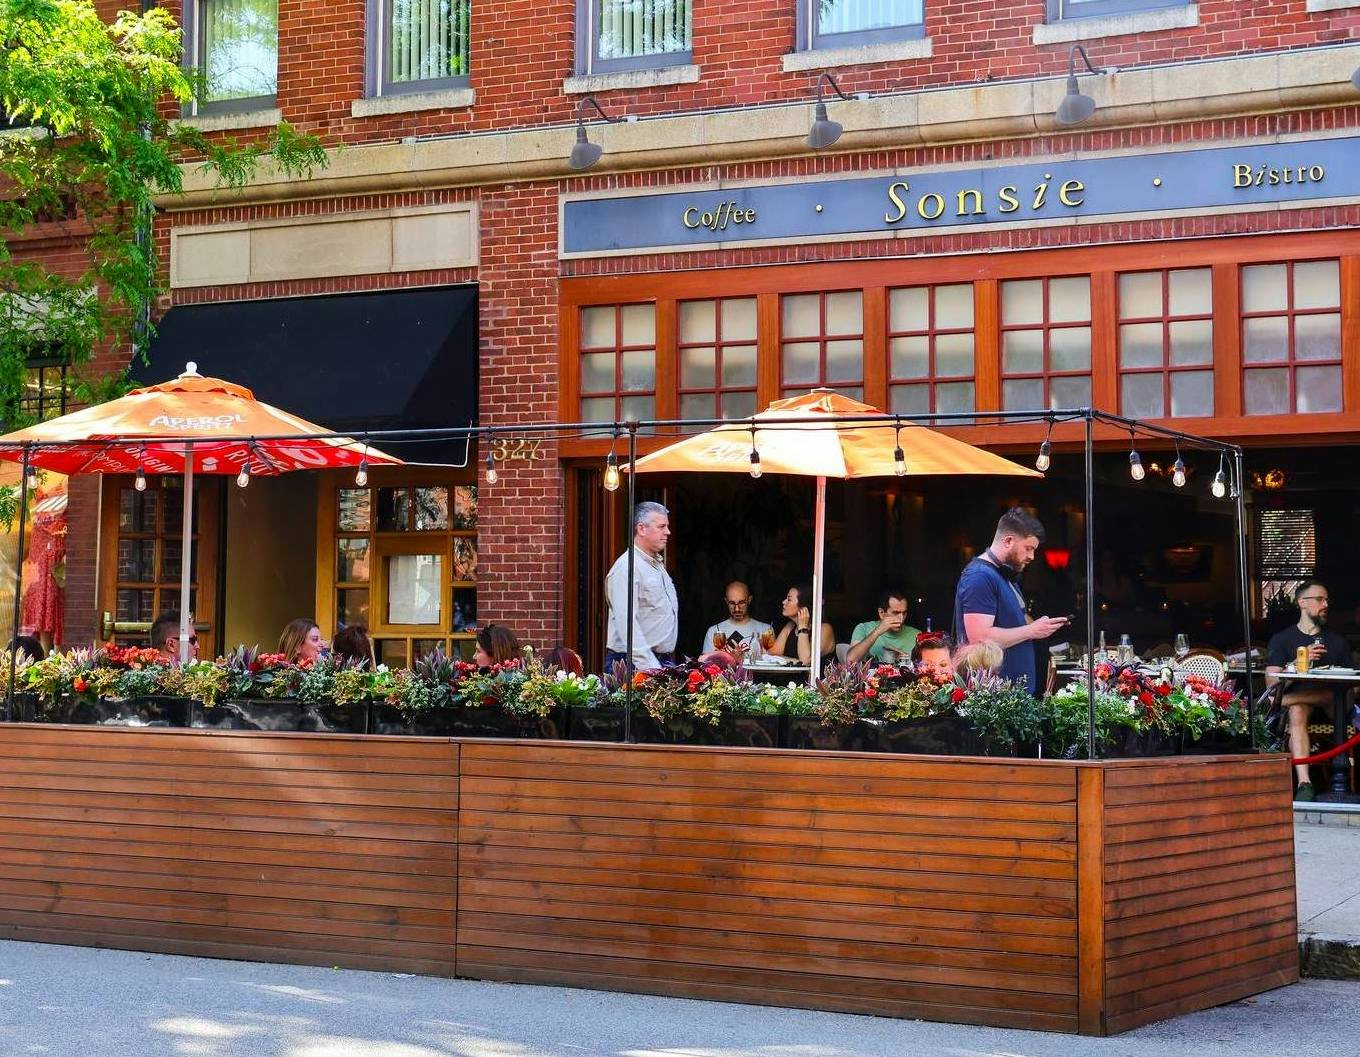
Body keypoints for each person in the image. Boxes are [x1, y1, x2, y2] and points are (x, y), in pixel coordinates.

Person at [953, 508, 1068, 693]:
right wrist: (1031, 630)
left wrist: (1041, 626)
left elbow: (1014, 621)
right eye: (1028, 548)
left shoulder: (1005, 574)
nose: (1032, 556)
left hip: (1012, 699)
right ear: (1008, 541)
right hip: (994, 700)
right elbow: (980, 638)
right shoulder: (980, 576)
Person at [1266, 579, 1353, 802]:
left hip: (1336, 705)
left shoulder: (1337, 641)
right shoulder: (1282, 639)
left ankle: (1287, 700)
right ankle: (1304, 783)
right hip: (1305, 708)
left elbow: (1354, 684)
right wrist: (1296, 663)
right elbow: (1271, 684)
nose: (1325, 604)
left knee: (1333, 693)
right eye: (1319, 599)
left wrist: (1282, 699)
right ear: (1302, 603)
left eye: (1326, 600)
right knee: (1296, 709)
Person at [605, 501, 678, 671]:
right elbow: (627, 624)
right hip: (634, 663)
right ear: (641, 529)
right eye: (661, 526)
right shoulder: (627, 567)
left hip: (659, 661)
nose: (668, 532)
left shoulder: (655, 565)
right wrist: (651, 668)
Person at [846, 587, 921, 665]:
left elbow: (927, 668)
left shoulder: (917, 635)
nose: (901, 619)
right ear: (881, 613)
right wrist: (877, 632)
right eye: (896, 613)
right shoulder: (863, 628)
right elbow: (850, 661)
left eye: (904, 613)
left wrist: (905, 658)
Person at [770, 583, 836, 667]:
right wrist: (793, 661)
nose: (783, 602)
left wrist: (803, 628)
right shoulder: (790, 626)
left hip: (814, 680)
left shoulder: (825, 629)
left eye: (789, 599)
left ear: (803, 606)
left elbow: (805, 661)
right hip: (791, 679)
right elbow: (772, 654)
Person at [700, 581, 772, 656]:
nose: (737, 609)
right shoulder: (714, 632)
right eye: (732, 603)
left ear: (749, 600)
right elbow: (705, 664)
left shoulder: (766, 630)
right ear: (726, 601)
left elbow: (774, 663)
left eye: (741, 602)